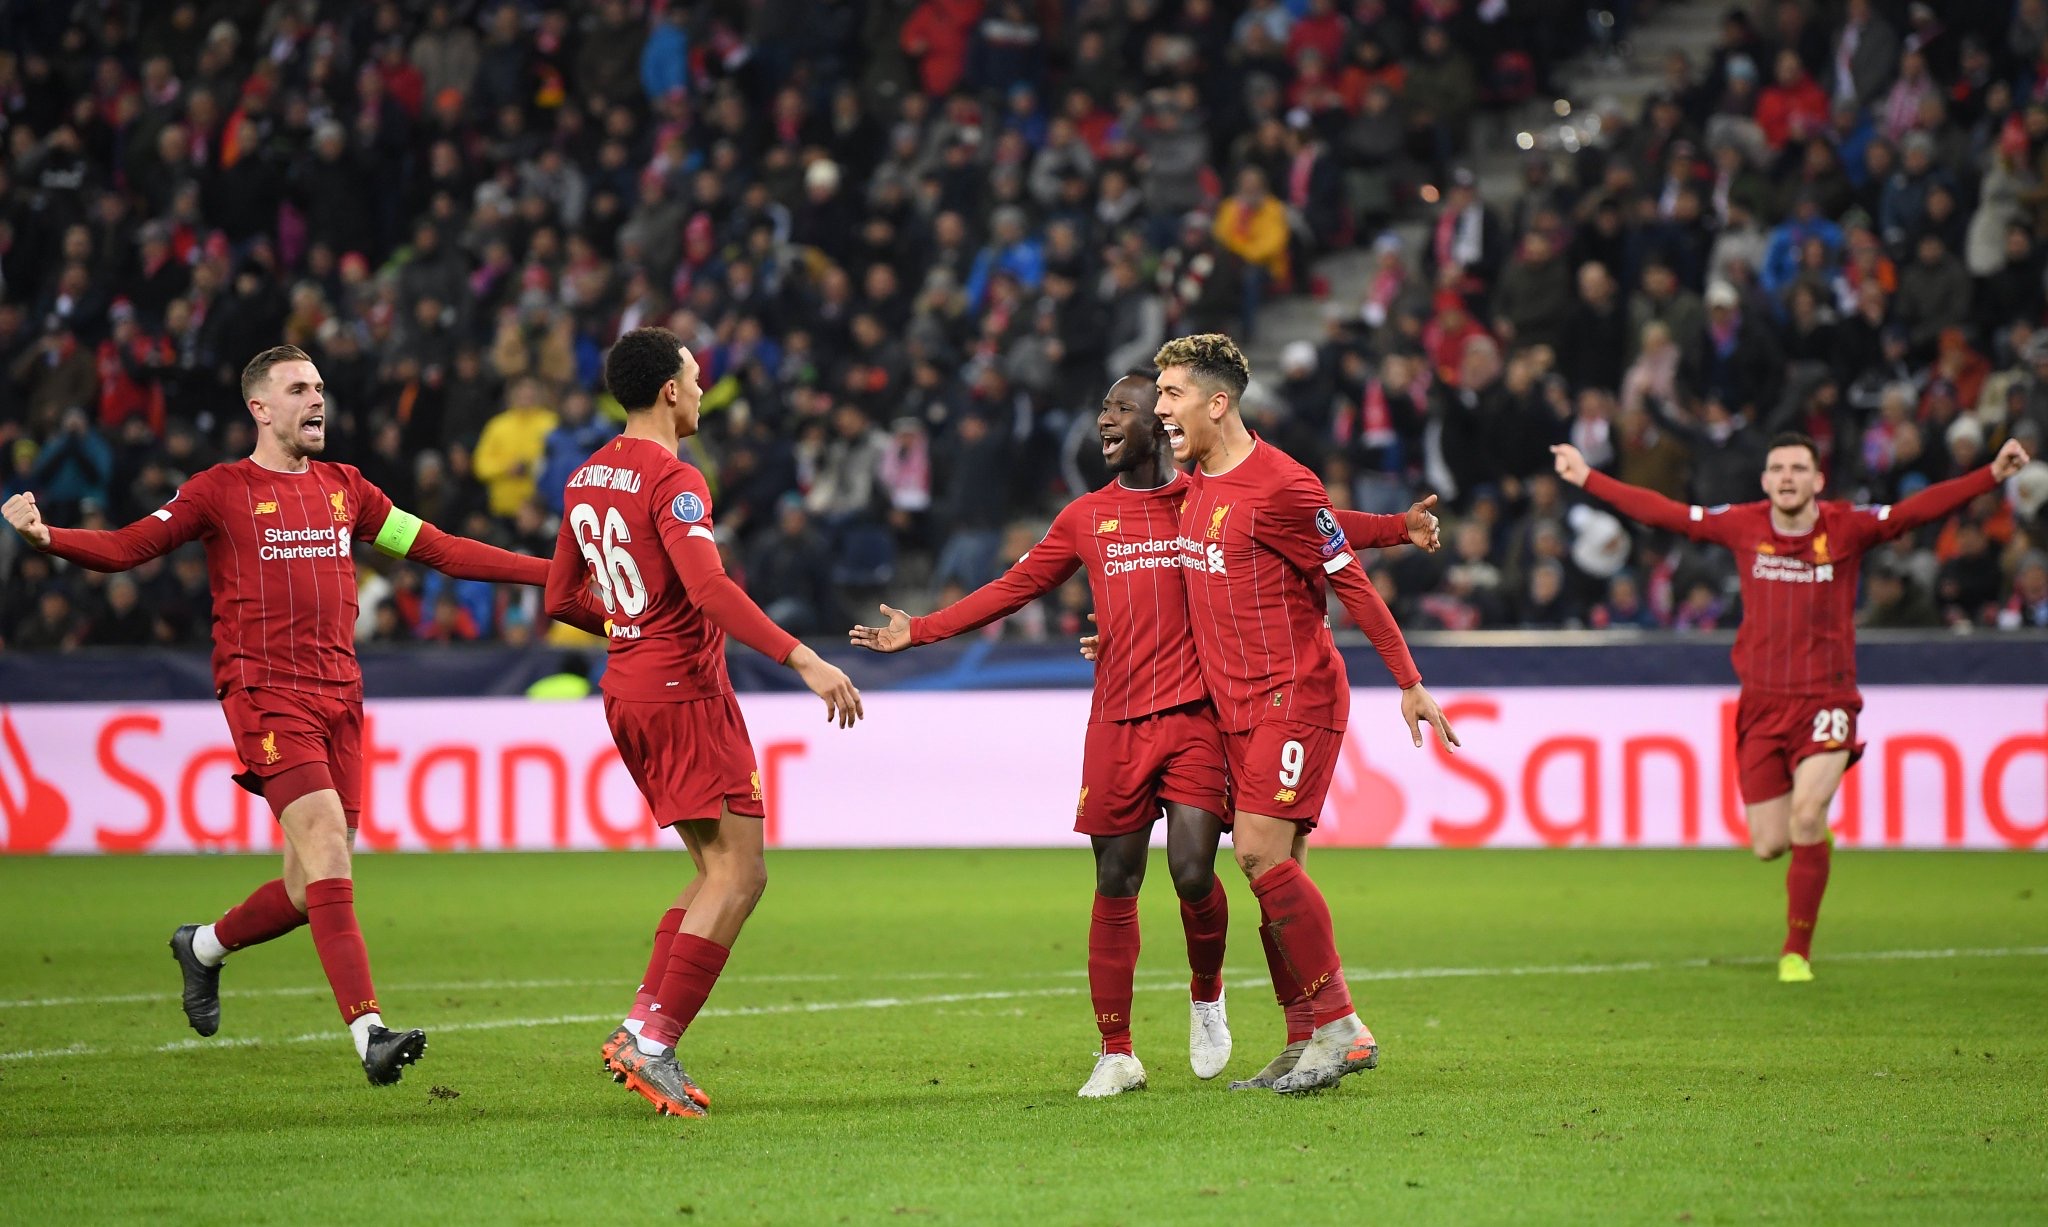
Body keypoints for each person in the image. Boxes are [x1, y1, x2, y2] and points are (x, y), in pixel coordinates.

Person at [850, 374, 1442, 1098]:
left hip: (1201, 715)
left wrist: (1394, 528)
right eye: (1105, 407)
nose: (1108, 419)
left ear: (1160, 423)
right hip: (1118, 718)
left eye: (1124, 408)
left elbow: (1312, 518)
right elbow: (1014, 587)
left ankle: (1218, 997)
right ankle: (1125, 1050)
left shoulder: (1198, 497)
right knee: (1121, 875)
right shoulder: (1084, 515)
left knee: (1202, 870)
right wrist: (921, 630)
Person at [1, 345, 574, 1086]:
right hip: (267, 695)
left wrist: (555, 574)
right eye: (299, 388)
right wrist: (49, 538)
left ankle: (203, 946)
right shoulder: (220, 490)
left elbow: (441, 549)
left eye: (320, 387)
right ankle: (369, 1032)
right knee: (329, 847)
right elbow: (127, 546)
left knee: (310, 888)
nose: (317, 399)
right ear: (260, 408)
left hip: (342, 696)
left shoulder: (347, 489)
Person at [1552, 433, 2031, 981]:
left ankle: (1796, 951)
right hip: (1761, 705)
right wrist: (1588, 477)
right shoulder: (1743, 524)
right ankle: (1815, 840)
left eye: (1799, 468)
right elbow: (1664, 513)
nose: (1787, 477)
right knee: (1769, 844)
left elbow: (1916, 511)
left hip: (1826, 699)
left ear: (1818, 480)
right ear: (1764, 480)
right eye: (1777, 468)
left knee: (1805, 814)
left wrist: (1991, 474)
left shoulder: (1846, 528)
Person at [544, 327, 863, 1121]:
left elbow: (559, 596)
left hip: (629, 688)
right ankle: (654, 1041)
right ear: (670, 391)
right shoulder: (674, 478)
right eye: (694, 377)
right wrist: (803, 658)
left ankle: (639, 1026)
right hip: (684, 692)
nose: (700, 390)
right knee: (741, 874)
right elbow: (711, 590)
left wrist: (631, 625)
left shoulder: (586, 476)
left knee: (712, 870)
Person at [1151, 334, 1458, 1094]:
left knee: (1258, 853)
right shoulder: (1197, 484)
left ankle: (1343, 1027)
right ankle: (1303, 1038)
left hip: (1294, 694)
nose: (1159, 409)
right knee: (1277, 869)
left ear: (1217, 402)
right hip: (1234, 704)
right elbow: (1326, 521)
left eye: (1171, 394)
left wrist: (1409, 680)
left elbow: (1347, 577)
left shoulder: (1282, 479)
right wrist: (1396, 526)